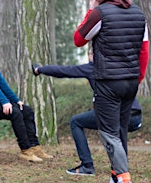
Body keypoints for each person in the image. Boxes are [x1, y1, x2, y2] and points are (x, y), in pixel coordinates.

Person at [72, 0, 149, 183]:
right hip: (131, 81)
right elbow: (144, 51)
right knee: (120, 130)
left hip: (108, 82)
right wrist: (138, 79)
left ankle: (123, 177)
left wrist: (90, 10)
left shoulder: (100, 13)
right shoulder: (138, 13)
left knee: (108, 132)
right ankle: (117, 175)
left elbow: (79, 39)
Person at [32, 48, 142, 176]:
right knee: (117, 132)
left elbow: (65, 71)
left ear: (94, 55)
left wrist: (40, 69)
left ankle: (87, 166)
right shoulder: (119, 67)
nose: (89, 57)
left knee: (76, 122)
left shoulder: (94, 68)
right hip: (135, 116)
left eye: (89, 54)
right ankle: (121, 169)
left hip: (115, 113)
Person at [0, 25, 53, 163]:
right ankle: (25, 150)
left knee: (26, 110)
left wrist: (15, 99)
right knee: (15, 113)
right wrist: (4, 101)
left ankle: (34, 147)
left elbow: (0, 81)